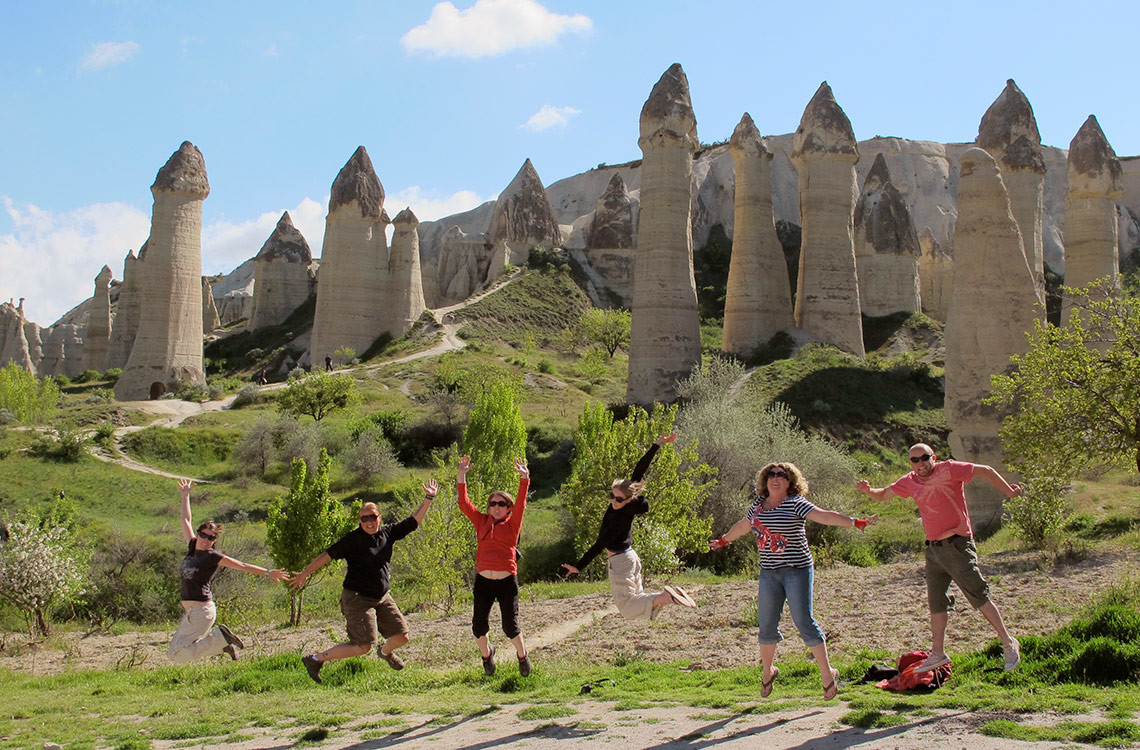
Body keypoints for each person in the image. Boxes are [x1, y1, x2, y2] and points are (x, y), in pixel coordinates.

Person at [709, 462, 875, 700]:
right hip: (769, 572)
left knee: (804, 621)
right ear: (765, 480)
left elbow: (824, 516)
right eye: (771, 474)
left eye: (782, 475)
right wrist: (724, 540)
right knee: (766, 624)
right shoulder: (757, 506)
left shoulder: (796, 503)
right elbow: (744, 526)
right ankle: (768, 672)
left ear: (790, 482)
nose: (775, 478)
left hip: (797, 571)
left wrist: (854, 522)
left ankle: (827, 674)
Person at [856, 443, 1022, 673]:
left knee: (978, 596)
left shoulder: (949, 469)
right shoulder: (909, 481)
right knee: (936, 602)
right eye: (915, 460)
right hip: (933, 550)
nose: (920, 463)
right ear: (910, 463)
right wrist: (868, 491)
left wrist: (1009, 493)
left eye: (924, 458)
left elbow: (986, 471)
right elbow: (883, 494)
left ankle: (1008, 642)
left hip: (957, 545)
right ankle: (938, 653)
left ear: (933, 457)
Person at [293, 482, 437, 684]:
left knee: (401, 636)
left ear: (379, 517)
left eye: (373, 517)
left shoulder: (388, 533)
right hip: (357, 598)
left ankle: (385, 653)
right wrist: (304, 574)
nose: (369, 522)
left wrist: (428, 498)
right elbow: (327, 555)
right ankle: (316, 659)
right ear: (360, 521)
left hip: (382, 596)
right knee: (362, 646)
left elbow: (413, 521)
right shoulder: (352, 540)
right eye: (364, 518)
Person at [560, 432, 697, 618]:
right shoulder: (627, 505)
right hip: (630, 558)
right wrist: (657, 445)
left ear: (629, 500)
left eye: (618, 499)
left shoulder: (619, 519)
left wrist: (578, 566)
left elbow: (599, 544)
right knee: (638, 601)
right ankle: (670, 596)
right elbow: (639, 469)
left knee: (627, 608)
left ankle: (666, 597)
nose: (613, 501)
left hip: (621, 562)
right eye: (612, 496)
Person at [170, 479, 290, 663]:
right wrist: (185, 496)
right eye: (202, 535)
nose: (205, 540)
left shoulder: (212, 556)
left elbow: (242, 566)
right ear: (198, 533)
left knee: (176, 654)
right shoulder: (193, 546)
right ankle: (221, 644)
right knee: (178, 653)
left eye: (210, 538)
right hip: (194, 612)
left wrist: (268, 572)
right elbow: (186, 520)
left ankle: (220, 639)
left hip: (202, 611)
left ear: (214, 541)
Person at [457, 455, 532, 677]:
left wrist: (524, 478)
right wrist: (461, 475)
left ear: (508, 508)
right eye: (493, 504)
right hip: (484, 582)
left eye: (501, 504)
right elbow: (464, 503)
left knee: (510, 626)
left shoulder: (513, 524)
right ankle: (487, 656)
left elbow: (522, 502)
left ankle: (522, 656)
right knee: (478, 626)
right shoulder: (481, 521)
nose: (496, 507)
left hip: (506, 581)